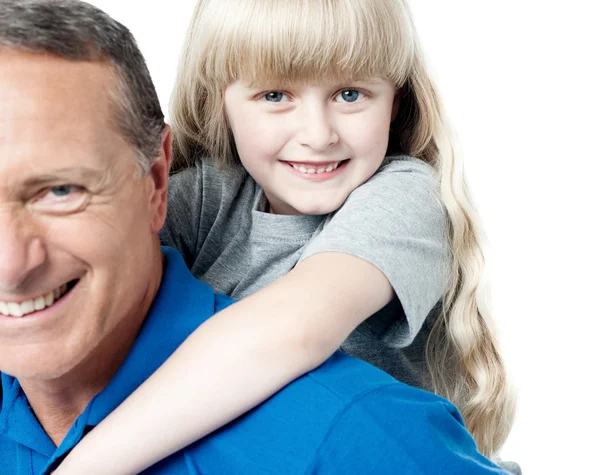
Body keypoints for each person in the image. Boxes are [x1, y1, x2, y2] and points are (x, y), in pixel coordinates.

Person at [0, 1, 510, 474]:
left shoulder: (402, 197)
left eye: (350, 94)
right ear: (221, 100)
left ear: (395, 103)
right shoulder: (210, 195)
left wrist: (86, 465)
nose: (317, 134)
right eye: (275, 95)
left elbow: (292, 330)